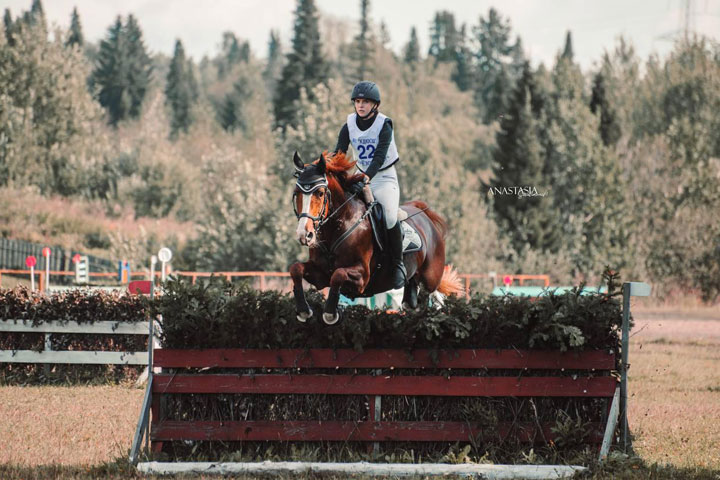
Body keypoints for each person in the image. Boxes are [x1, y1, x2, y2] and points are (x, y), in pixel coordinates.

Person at [334, 81, 406, 289]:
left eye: (365, 102)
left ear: (375, 105)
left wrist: (366, 177)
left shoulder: (385, 124)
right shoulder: (349, 124)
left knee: (390, 216)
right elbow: (339, 152)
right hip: (360, 175)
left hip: (384, 177)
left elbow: (379, 157)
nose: (361, 105)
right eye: (357, 101)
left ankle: (398, 264)